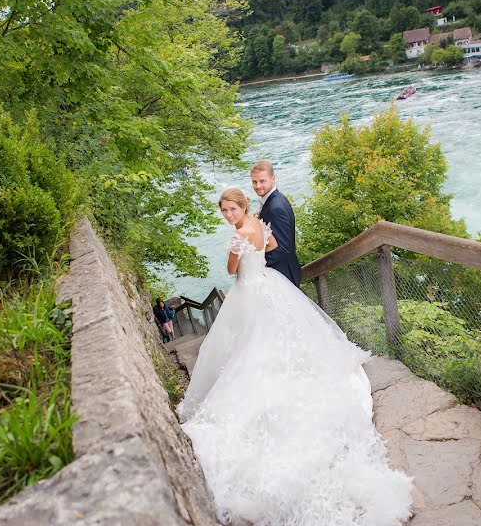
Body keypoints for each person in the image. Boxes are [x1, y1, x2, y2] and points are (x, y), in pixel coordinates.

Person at [177, 187, 413, 526]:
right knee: (269, 342)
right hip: (268, 285)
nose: (228, 215)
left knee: (249, 347)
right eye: (224, 211)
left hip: (247, 292)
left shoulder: (238, 235)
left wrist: (237, 250)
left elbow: (231, 270)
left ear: (242, 207)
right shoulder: (259, 224)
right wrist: (254, 254)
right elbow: (272, 247)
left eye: (231, 209)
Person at [251, 160, 302, 288]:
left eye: (262, 181)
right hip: (281, 271)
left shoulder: (276, 207)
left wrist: (255, 262)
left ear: (273, 179)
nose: (258, 186)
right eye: (254, 181)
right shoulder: (273, 200)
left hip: (284, 274)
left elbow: (283, 249)